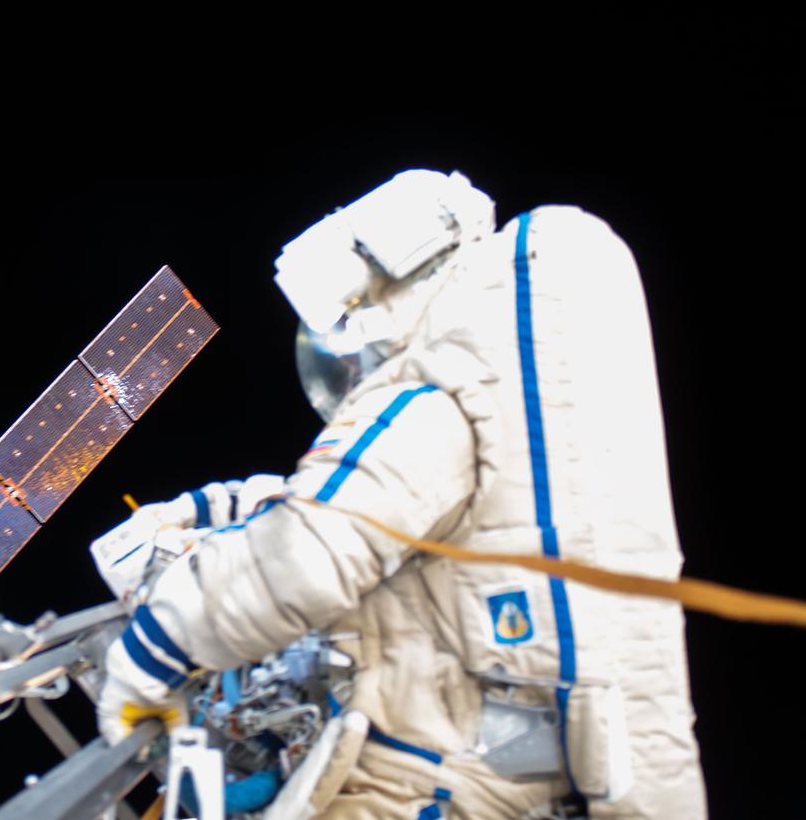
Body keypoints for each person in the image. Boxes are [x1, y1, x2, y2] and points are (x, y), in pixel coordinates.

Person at [92, 170, 706, 819]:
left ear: (395, 284)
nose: (355, 364)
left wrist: (154, 650)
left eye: (359, 320)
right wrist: (222, 512)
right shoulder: (499, 403)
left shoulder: (432, 401)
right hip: (504, 773)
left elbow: (308, 549)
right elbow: (373, 527)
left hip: (425, 780)